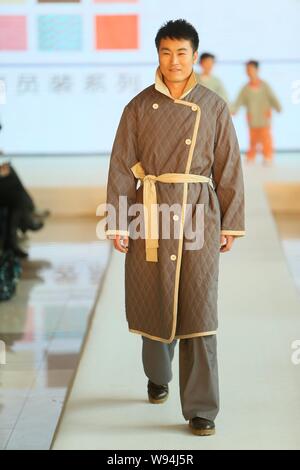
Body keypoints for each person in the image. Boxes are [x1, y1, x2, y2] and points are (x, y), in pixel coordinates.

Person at [104, 19, 245, 436]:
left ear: (194, 55)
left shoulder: (214, 106)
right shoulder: (137, 107)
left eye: (181, 52)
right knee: (155, 300)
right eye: (166, 52)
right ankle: (157, 375)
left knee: (199, 310)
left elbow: (229, 165)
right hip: (151, 212)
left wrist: (231, 222)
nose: (173, 60)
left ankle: (202, 408)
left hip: (199, 213)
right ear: (158, 55)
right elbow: (120, 166)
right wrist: (118, 221)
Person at [231, 60, 282, 165]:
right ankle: (251, 156)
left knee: (266, 138)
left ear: (257, 70)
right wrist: (233, 110)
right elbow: (239, 101)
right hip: (252, 117)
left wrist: (278, 107)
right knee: (253, 138)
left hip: (264, 116)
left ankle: (268, 155)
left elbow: (273, 98)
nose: (249, 72)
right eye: (247, 70)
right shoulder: (245, 88)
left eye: (251, 69)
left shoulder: (265, 86)